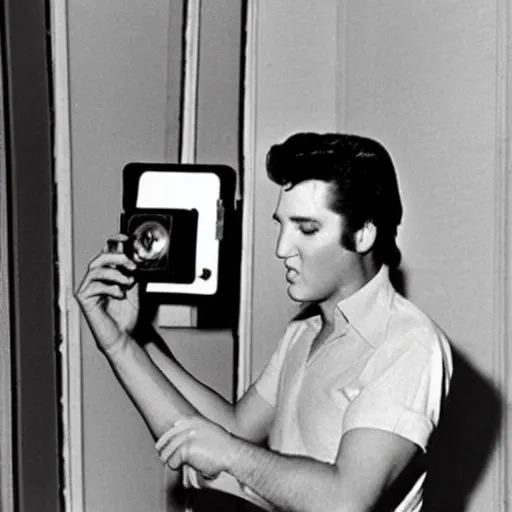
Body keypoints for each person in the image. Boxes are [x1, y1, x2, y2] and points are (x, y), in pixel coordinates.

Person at [76, 132, 453, 512]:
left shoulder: (408, 344)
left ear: (362, 234)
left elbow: (345, 501)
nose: (282, 249)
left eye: (306, 229)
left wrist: (232, 455)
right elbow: (232, 430)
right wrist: (128, 342)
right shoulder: (304, 333)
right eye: (282, 225)